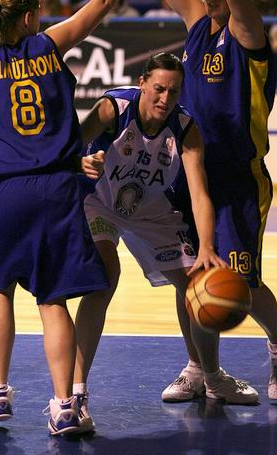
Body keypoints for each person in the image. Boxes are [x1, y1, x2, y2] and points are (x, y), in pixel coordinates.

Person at [0, 0, 170, 435]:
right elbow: (102, 0)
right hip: (55, 190)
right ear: (29, 17)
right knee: (52, 299)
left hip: (1, 193)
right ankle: (63, 407)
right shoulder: (50, 45)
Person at [132, 0, 277, 403]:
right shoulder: (196, 22)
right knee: (191, 276)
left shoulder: (249, 33)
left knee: (241, 282)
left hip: (239, 178)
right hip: (192, 172)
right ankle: (201, 369)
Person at [73, 52, 260, 432]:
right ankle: (75, 395)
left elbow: (199, 194)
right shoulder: (113, 108)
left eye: (173, 92)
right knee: (106, 277)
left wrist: (206, 246)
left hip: (152, 212)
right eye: (159, 88)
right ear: (142, 82)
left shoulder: (185, 128)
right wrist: (80, 162)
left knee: (198, 284)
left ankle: (209, 377)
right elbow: (68, 146)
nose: (165, 98)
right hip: (99, 203)